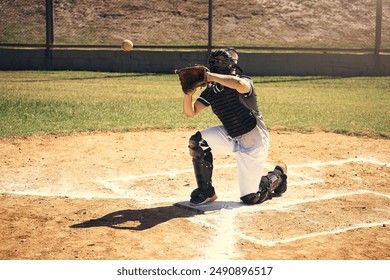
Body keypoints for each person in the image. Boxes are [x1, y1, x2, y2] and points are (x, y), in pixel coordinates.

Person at [182, 47, 287, 205]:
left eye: (223, 61)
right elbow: (190, 112)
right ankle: (205, 192)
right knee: (197, 141)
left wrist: (209, 76)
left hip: (253, 139)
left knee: (251, 197)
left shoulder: (244, 81)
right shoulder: (212, 90)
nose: (218, 64)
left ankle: (278, 175)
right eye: (215, 61)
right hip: (231, 134)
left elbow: (238, 83)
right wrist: (188, 93)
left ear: (232, 65)